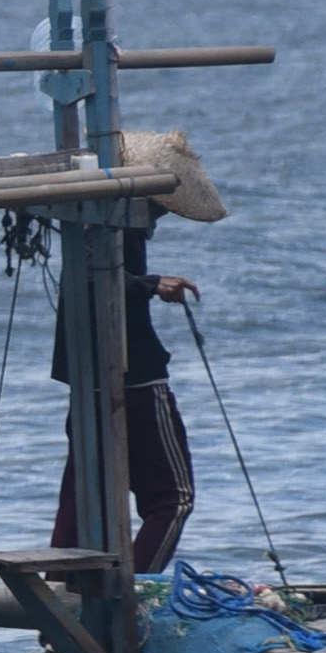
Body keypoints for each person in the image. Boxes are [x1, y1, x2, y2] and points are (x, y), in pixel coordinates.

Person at [48, 130, 229, 570]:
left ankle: (63, 593)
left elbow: (86, 278)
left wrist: (147, 284)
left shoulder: (86, 218)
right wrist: (152, 284)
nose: (160, 218)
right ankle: (135, 592)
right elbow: (94, 279)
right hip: (135, 378)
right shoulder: (116, 224)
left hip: (85, 377)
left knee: (88, 490)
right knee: (174, 498)